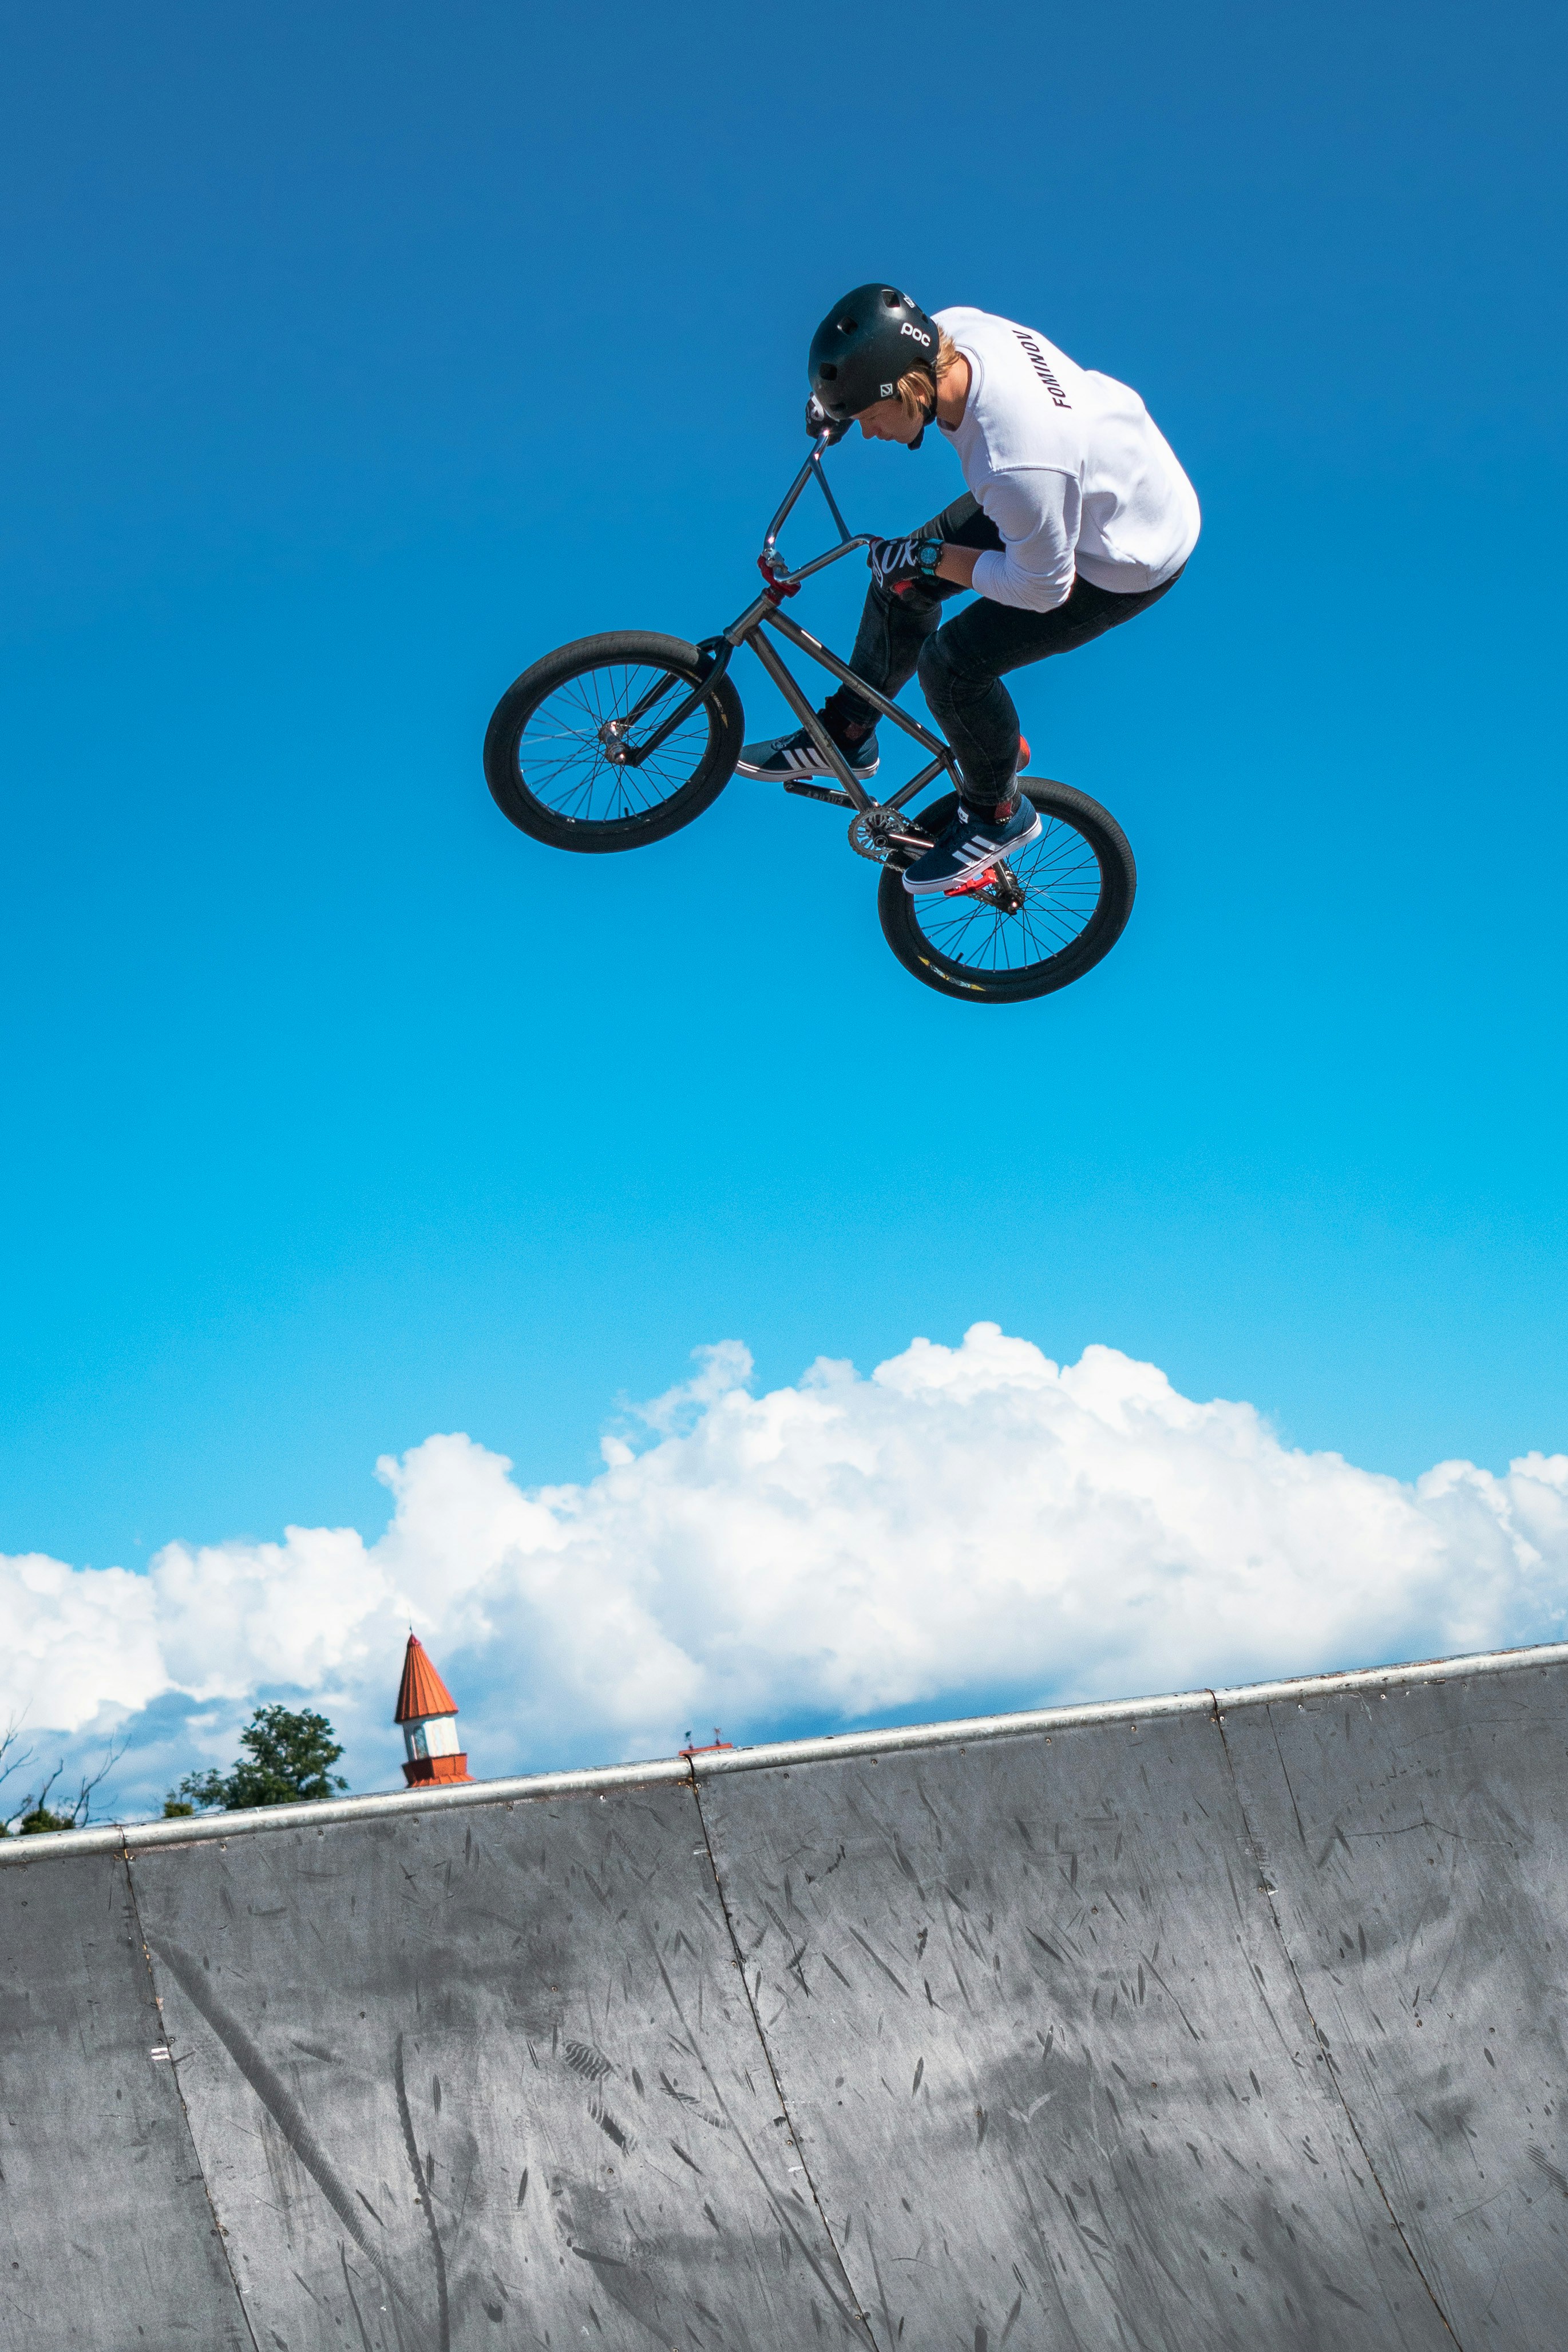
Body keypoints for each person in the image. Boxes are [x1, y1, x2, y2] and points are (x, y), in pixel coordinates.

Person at [738, 286, 1200, 894]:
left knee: (954, 666)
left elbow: (1041, 588)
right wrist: (835, 404)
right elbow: (881, 354)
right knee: (896, 577)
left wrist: (930, 556)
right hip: (1085, 482)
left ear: (905, 388)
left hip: (1125, 555)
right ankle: (846, 734)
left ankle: (997, 814)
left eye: (868, 415)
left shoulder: (1016, 464)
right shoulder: (951, 335)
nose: (868, 433)